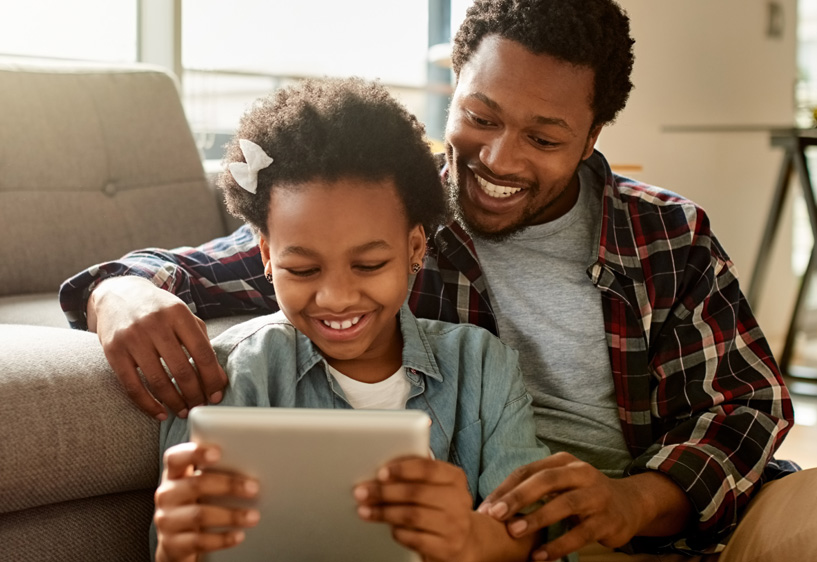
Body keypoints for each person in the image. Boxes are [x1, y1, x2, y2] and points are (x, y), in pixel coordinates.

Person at [63, 1, 817, 560]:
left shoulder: (666, 232)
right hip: (515, 542)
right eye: (481, 115)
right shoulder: (391, 225)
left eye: (545, 136)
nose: (497, 156)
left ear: (596, 133)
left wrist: (640, 501)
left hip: (694, 523)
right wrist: (119, 292)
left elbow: (744, 405)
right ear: (454, 83)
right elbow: (247, 263)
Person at [150, 78, 555, 562]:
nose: (337, 298)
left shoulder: (483, 366)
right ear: (266, 256)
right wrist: (176, 549)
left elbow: (528, 529)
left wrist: (470, 536)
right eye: (302, 269)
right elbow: (187, 543)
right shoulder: (232, 376)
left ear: (415, 248)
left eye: (368, 265)